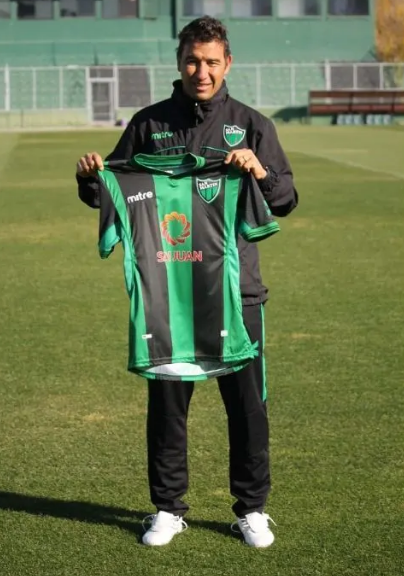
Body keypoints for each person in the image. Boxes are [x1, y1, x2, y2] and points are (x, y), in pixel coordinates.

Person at [76, 16, 298, 548]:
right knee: (168, 407)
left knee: (247, 407)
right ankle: (168, 508)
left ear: (228, 63)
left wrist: (259, 172)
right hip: (168, 293)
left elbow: (286, 199)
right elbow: (118, 192)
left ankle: (252, 509)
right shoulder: (148, 123)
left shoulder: (252, 125)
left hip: (237, 293)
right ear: (179, 63)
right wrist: (89, 181)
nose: (202, 71)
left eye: (212, 62)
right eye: (193, 61)